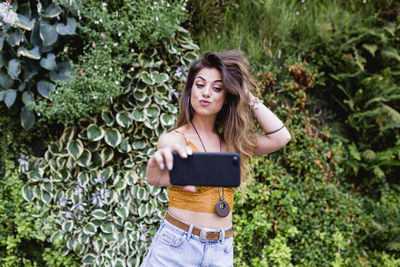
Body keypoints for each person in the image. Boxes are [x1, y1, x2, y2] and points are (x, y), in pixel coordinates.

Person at [141, 50, 291, 266]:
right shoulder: (176, 138)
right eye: (199, 84)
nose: (206, 93)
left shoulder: (233, 143)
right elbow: (169, 152)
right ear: (190, 90)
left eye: (217, 88)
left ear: (227, 95)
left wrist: (247, 96)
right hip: (177, 248)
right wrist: (163, 160)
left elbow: (280, 137)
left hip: (221, 250)